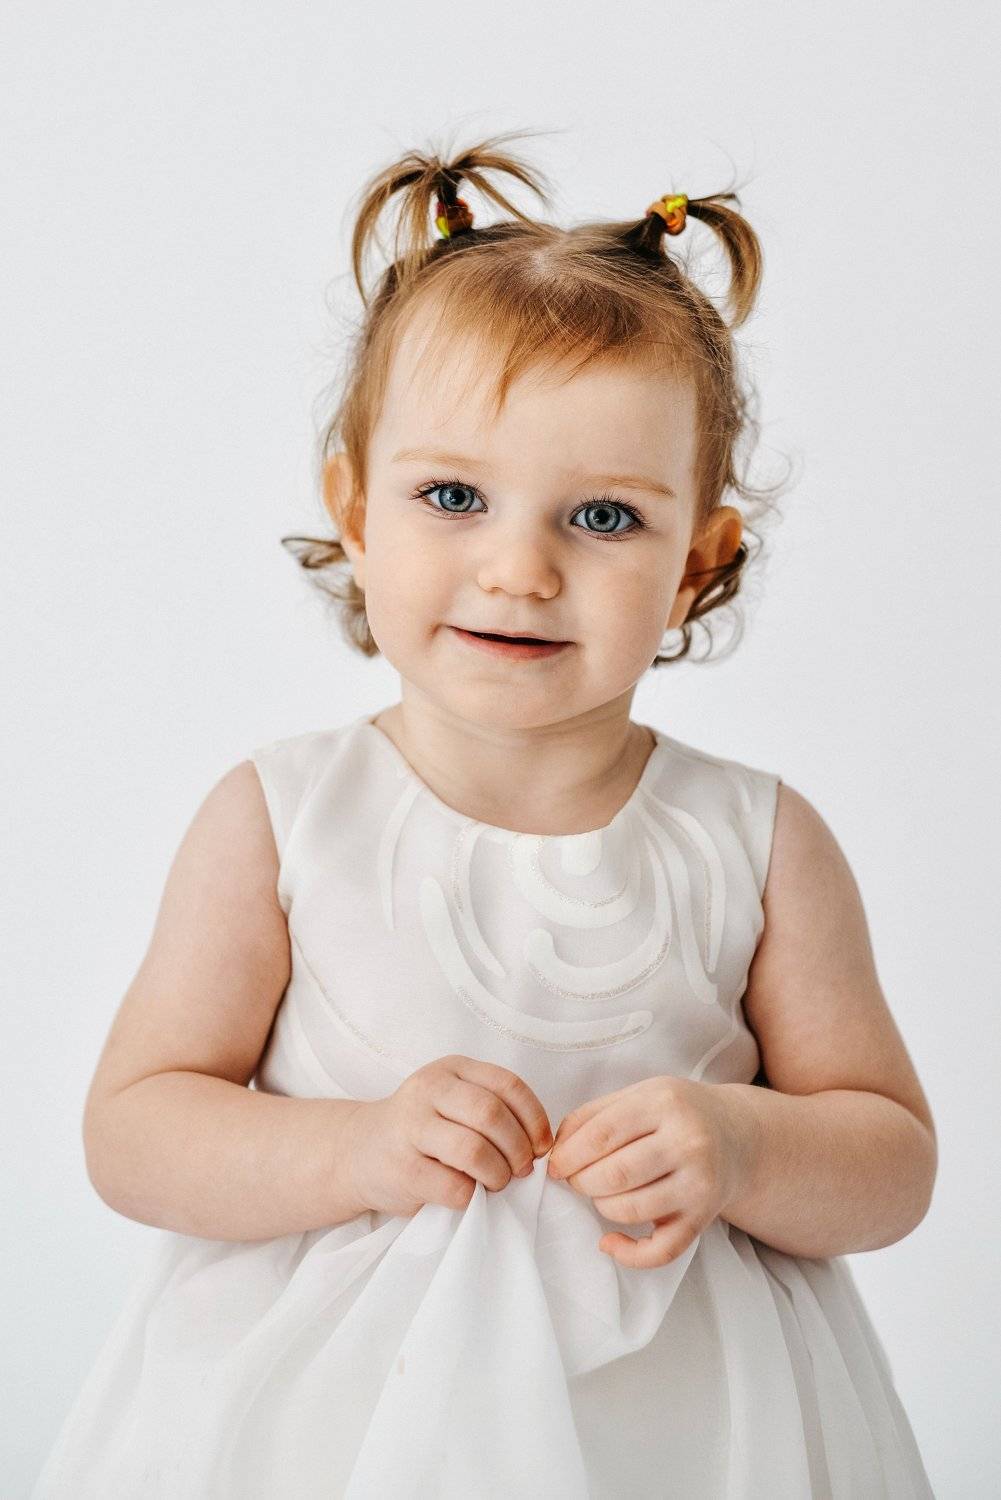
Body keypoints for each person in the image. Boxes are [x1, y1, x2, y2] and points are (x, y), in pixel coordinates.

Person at [31, 129, 938, 1498]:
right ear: (355, 513)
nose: (518, 569)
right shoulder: (284, 817)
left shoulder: (757, 842)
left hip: (682, 1436)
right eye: (452, 497)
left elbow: (890, 1163)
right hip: (339, 1430)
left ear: (699, 564)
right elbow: (136, 1134)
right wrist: (358, 1145)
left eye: (603, 518)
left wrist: (745, 1143)